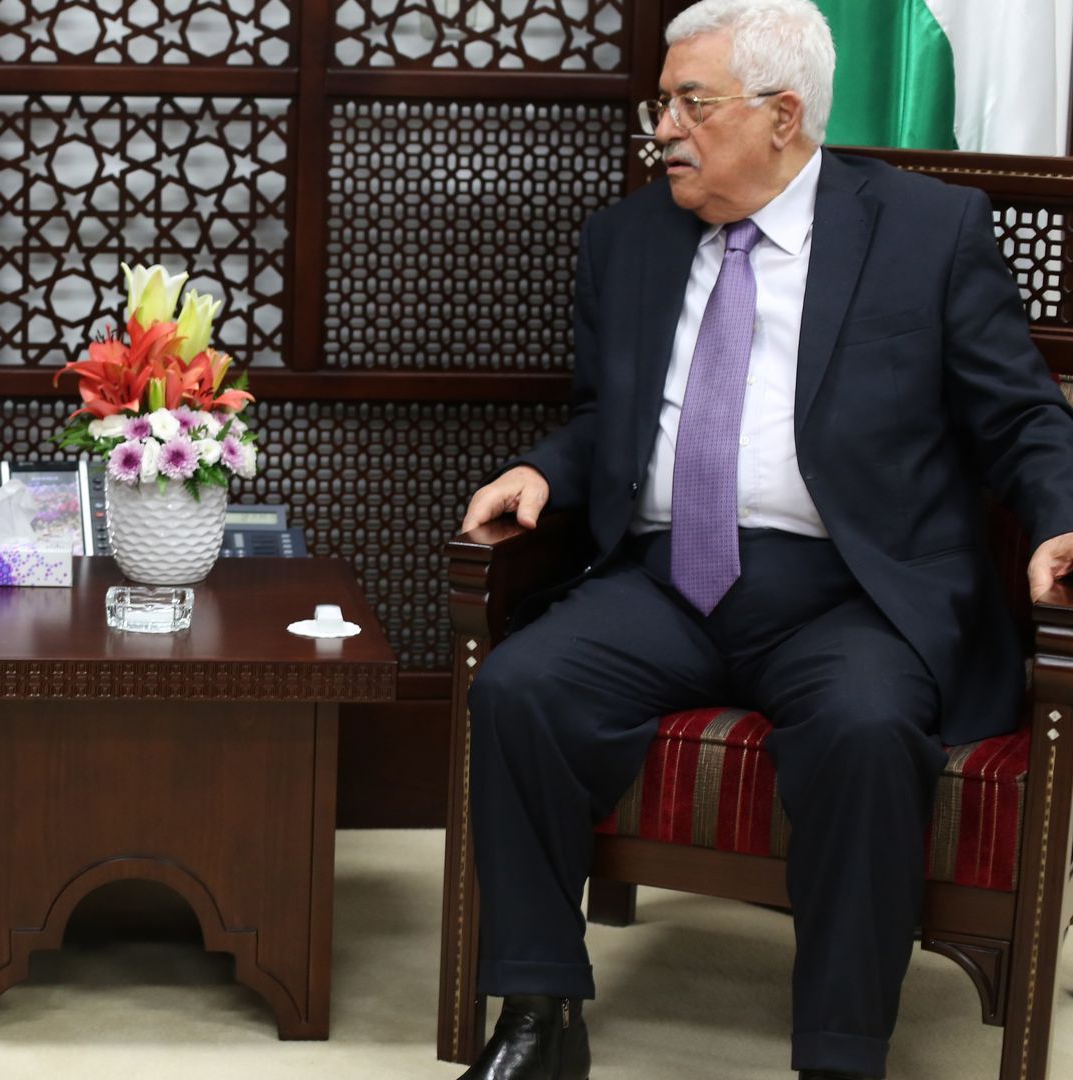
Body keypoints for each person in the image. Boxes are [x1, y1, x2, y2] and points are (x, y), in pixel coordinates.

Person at [454, 1, 1073, 1077]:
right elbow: (614, 414)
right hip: (666, 580)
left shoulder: (927, 233)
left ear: (785, 116)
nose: (663, 128)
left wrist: (1065, 519)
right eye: (663, 102)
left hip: (852, 592)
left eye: (691, 103)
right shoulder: (628, 238)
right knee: (521, 689)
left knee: (869, 730)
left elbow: (1020, 416)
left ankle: (838, 1053)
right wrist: (544, 468)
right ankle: (542, 1013)